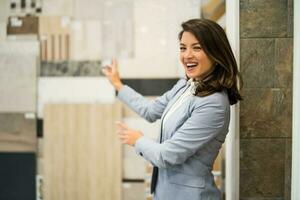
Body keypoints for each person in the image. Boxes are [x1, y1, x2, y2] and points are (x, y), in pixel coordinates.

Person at [102, 18, 242, 200]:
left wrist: (137, 140)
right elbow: (151, 111)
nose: (187, 55)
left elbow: (167, 155)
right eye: (183, 48)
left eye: (197, 48)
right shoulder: (185, 85)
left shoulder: (213, 103)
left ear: (216, 54)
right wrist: (118, 85)